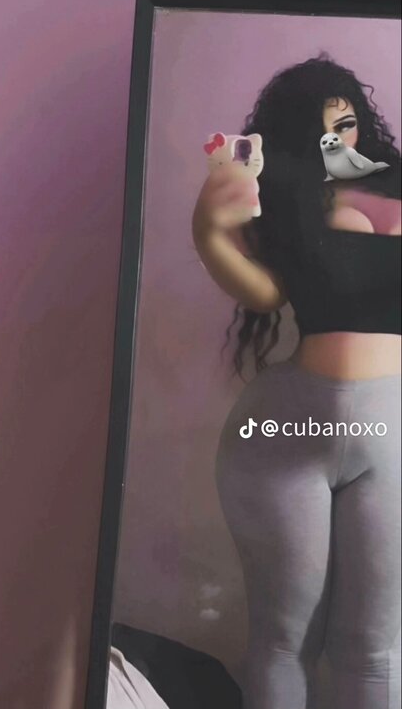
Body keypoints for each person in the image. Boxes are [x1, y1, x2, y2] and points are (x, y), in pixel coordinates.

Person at [192, 54, 401, 709]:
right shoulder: (292, 203)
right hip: (288, 426)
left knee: (372, 648)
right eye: (320, 129)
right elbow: (264, 293)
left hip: (391, 433)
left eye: (346, 123)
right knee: (284, 640)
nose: (336, 140)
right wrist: (209, 230)